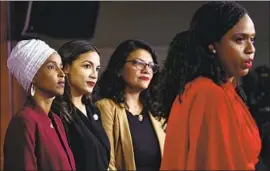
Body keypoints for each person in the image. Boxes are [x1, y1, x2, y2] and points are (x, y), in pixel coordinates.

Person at [159, 2, 261, 170]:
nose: (251, 49)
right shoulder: (208, 93)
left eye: (252, 39)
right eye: (239, 39)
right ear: (212, 45)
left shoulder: (222, 90)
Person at [4, 39, 75, 170]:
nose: (61, 73)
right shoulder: (25, 121)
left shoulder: (57, 120)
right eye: (51, 67)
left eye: (60, 66)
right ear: (32, 76)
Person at [95, 39, 165, 171]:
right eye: (138, 63)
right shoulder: (105, 107)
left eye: (151, 66)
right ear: (119, 69)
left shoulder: (156, 113)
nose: (146, 70)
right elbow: (107, 164)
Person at [51, 40, 110, 171]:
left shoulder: (93, 110)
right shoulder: (55, 111)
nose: (94, 75)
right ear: (66, 68)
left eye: (97, 69)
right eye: (87, 66)